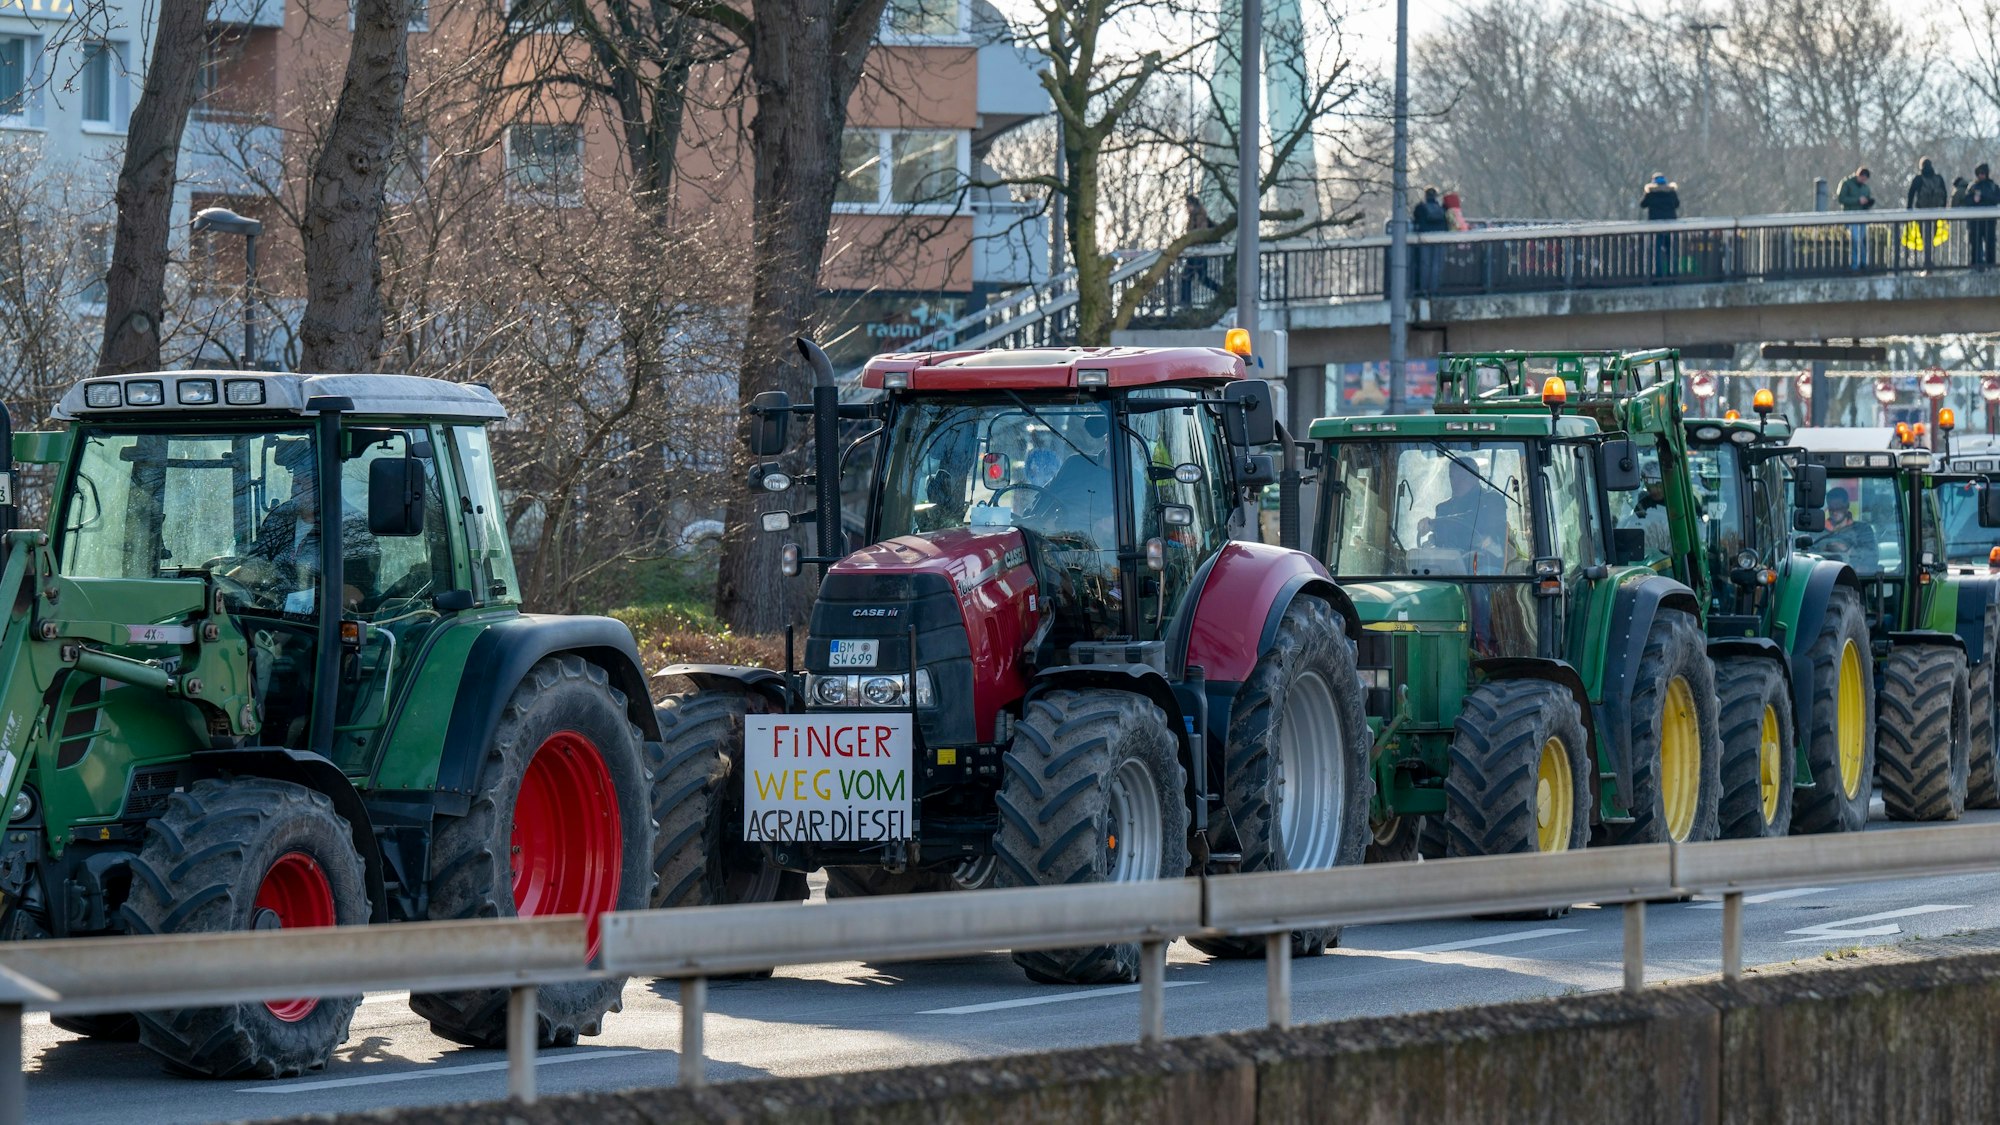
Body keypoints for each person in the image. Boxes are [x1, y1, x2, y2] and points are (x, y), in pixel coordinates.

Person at [1424, 458, 1507, 573]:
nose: (1455, 482)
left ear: (1475, 477)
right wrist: (1431, 540)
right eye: (1452, 477)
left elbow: (1475, 519)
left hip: (1483, 567)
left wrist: (1434, 523)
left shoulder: (1491, 500)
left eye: (1461, 477)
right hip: (1448, 568)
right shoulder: (1443, 508)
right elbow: (1440, 541)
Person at [1906, 157, 1950, 268]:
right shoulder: (1938, 178)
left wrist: (1909, 211)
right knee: (1932, 237)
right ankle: (1931, 259)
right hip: (1936, 213)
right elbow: (1944, 194)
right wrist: (1943, 210)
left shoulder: (1918, 179)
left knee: (1923, 237)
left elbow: (1911, 195)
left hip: (1922, 213)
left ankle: (1926, 260)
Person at [1178, 195, 1216, 304]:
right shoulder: (1193, 217)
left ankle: (1185, 302)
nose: (1187, 208)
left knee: (1192, 277)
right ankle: (1185, 302)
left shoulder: (1200, 217)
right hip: (1194, 252)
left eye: (1188, 205)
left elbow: (1200, 234)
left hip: (1199, 252)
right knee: (1198, 278)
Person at [1412, 186, 1450, 293]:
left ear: (1426, 196)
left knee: (1425, 263)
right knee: (1437, 264)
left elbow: (1416, 221)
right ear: (1435, 196)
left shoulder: (1420, 208)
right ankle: (1435, 289)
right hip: (1440, 238)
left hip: (1425, 238)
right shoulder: (1442, 209)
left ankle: (1424, 289)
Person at [1640, 174, 1680, 278]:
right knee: (1671, 250)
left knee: (1656, 251)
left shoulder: (1651, 193)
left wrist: (1646, 193)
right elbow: (1677, 204)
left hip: (1655, 226)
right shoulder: (1671, 192)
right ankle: (1672, 274)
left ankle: (1658, 275)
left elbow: (1643, 205)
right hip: (1671, 225)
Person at [1837, 167, 1875, 271]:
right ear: (1858, 175)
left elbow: (1865, 204)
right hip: (1850, 217)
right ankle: (1854, 265)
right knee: (1855, 240)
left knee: (1861, 241)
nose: (1863, 181)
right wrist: (1857, 200)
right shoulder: (1846, 183)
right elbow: (1841, 199)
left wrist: (1868, 203)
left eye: (1865, 180)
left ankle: (1863, 263)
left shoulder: (1865, 188)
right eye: (1862, 178)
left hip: (1862, 218)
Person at [1967, 164, 2000, 270]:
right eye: (1979, 173)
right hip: (1975, 222)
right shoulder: (1972, 186)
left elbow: (1997, 198)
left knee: (1990, 244)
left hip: (1989, 221)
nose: (1981, 175)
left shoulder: (1992, 186)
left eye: (1983, 173)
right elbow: (1966, 200)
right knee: (1975, 244)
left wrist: (1984, 197)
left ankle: (1990, 266)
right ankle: (1977, 266)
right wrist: (1974, 199)